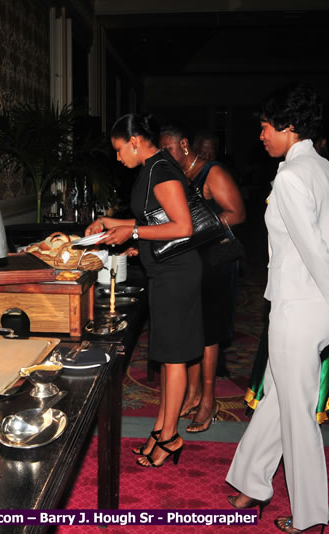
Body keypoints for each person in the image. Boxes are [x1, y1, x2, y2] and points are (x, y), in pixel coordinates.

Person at [225, 81, 329, 533]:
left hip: (301, 307)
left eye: (266, 127)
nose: (262, 135)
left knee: (297, 413)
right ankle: (251, 481)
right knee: (277, 396)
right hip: (320, 306)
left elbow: (313, 249)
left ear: (287, 126)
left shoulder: (290, 176)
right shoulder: (324, 167)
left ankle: (311, 516)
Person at [86, 113, 204, 468]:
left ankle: (170, 436)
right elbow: (152, 221)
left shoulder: (162, 170)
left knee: (175, 358)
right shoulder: (151, 167)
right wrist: (111, 224)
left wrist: (133, 234)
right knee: (168, 357)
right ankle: (160, 429)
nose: (118, 157)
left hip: (178, 274)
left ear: (135, 141)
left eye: (120, 149)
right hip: (165, 271)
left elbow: (183, 227)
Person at [159, 123, 246, 433]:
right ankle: (194, 393)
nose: (163, 155)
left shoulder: (214, 172)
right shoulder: (180, 176)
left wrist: (198, 228)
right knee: (192, 330)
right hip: (192, 264)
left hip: (217, 262)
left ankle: (208, 400)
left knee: (209, 334)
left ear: (184, 145)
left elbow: (237, 213)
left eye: (167, 149)